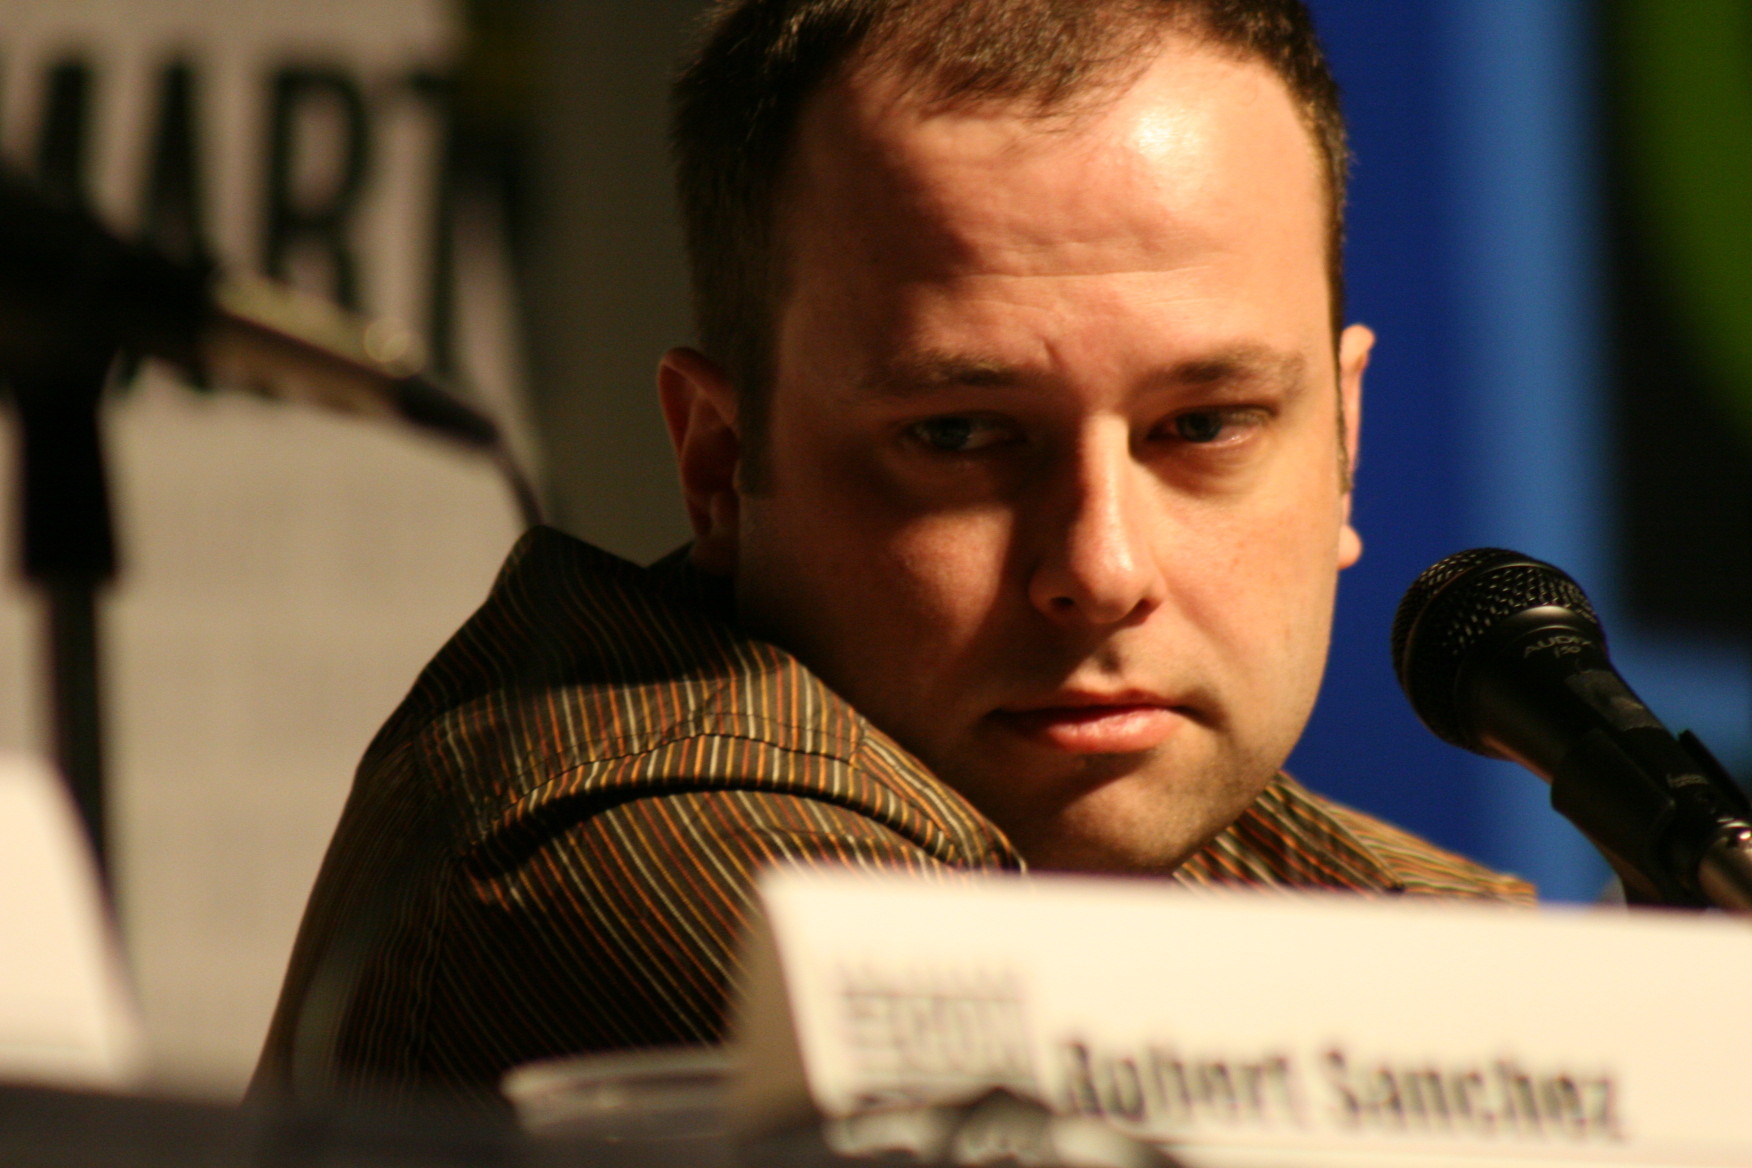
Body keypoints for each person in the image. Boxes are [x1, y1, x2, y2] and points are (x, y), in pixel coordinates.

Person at [255, 0, 1531, 1109]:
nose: (1100, 565)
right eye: (962, 436)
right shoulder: (640, 839)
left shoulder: (1368, 898)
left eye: (1202, 426)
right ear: (717, 464)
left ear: (1345, 443)